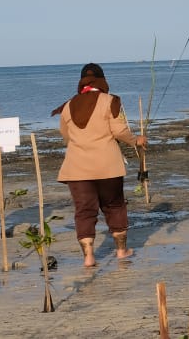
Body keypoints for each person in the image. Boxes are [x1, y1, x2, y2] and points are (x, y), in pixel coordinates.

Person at [54, 64, 145, 267]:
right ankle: (121, 251)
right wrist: (136, 140)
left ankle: (89, 257)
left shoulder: (68, 106)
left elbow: (65, 135)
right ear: (102, 80)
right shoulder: (110, 101)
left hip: (77, 168)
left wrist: (80, 145)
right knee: (114, 206)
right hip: (108, 166)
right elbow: (120, 131)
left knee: (84, 210)